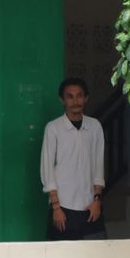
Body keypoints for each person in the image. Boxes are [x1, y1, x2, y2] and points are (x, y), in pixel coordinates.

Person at [40, 76, 106, 241]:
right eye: (70, 96)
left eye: (79, 96)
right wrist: (56, 207)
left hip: (90, 206)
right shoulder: (54, 128)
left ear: (86, 98)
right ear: (62, 100)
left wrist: (97, 200)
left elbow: (98, 166)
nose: (75, 101)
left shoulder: (95, 126)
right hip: (63, 207)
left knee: (95, 256)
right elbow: (47, 168)